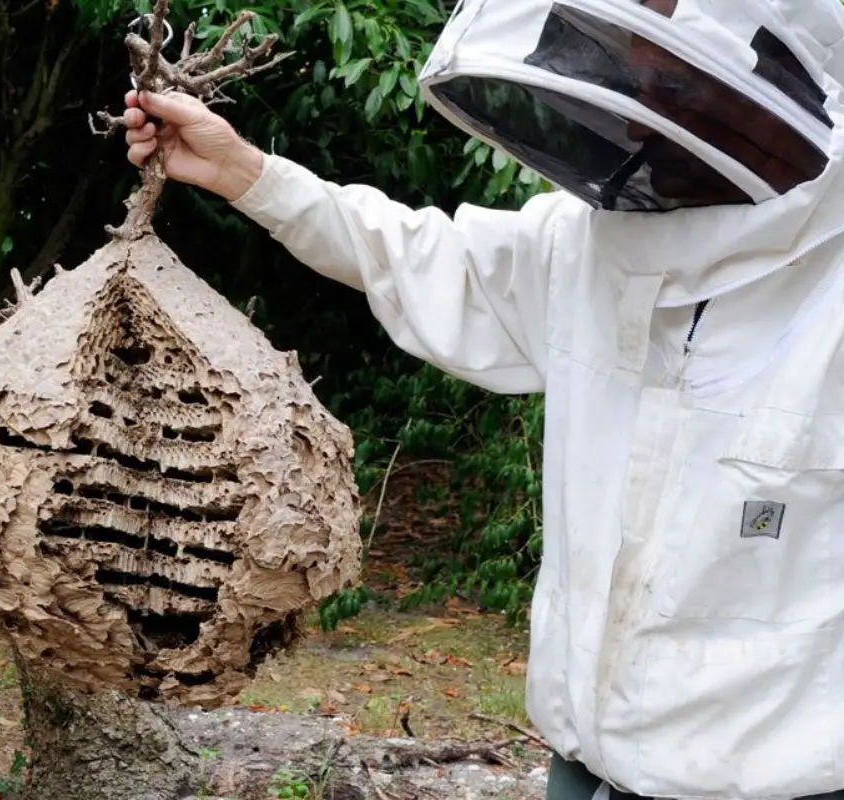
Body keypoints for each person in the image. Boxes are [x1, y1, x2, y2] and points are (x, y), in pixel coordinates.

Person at [122, 0, 844, 798]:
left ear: (786, 92)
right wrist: (242, 173)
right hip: (582, 766)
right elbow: (410, 254)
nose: (642, 126)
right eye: (636, 86)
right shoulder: (584, 250)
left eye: (676, 94)